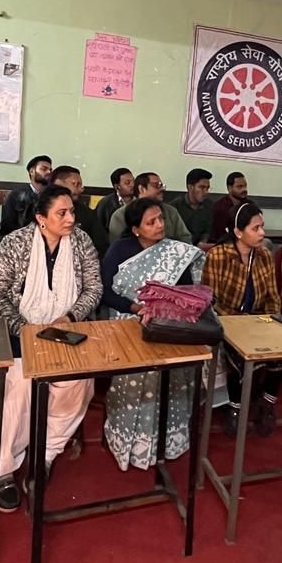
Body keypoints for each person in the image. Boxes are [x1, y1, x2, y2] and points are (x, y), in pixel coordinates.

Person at [0, 185, 103, 512]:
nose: (71, 218)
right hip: (17, 331)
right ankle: (1, 469)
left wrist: (69, 317)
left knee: (77, 382)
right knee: (13, 386)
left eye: (72, 211)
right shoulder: (14, 243)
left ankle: (44, 455)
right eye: (62, 213)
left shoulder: (82, 242)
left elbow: (93, 288)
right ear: (41, 217)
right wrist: (25, 329)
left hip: (65, 330)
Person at [99, 198, 206, 470]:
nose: (160, 225)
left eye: (161, 219)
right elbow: (106, 292)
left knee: (173, 372)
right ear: (136, 229)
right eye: (151, 222)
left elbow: (185, 293)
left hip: (164, 325)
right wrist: (136, 308)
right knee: (135, 374)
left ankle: (166, 441)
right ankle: (130, 441)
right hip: (127, 322)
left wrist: (163, 310)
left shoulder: (174, 252)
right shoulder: (120, 250)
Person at [202, 202, 282, 437]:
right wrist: (240, 321)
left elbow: (273, 296)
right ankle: (235, 408)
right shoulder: (218, 255)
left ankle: (267, 401)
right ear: (238, 232)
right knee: (241, 357)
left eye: (262, 227)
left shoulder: (265, 255)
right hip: (227, 322)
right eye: (255, 228)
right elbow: (211, 299)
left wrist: (271, 322)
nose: (262, 233)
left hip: (259, 321)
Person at [107, 172, 191, 242]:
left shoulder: (170, 211)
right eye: (156, 185)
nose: (162, 189)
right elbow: (119, 247)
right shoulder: (120, 216)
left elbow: (185, 238)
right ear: (141, 189)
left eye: (162, 185)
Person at [47, 165, 109, 257]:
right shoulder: (36, 208)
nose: (80, 189)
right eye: (75, 184)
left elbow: (101, 247)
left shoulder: (87, 214)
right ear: (58, 183)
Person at [0, 154, 52, 236]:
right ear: (32, 172)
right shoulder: (16, 196)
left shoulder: (52, 196)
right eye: (44, 169)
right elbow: (7, 225)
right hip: (20, 238)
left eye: (50, 170)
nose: (49, 172)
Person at [172, 167, 215, 246]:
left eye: (207, 188)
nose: (206, 192)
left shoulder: (209, 205)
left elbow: (207, 231)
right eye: (202, 187)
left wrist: (202, 243)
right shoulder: (174, 207)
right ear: (190, 187)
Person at [209, 171, 251, 242]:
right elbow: (220, 234)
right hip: (225, 242)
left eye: (245, 186)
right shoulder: (220, 207)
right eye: (240, 186)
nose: (244, 189)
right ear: (229, 188)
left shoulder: (250, 205)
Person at [95, 166, 135, 235]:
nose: (133, 185)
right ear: (117, 187)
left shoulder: (140, 199)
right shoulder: (105, 203)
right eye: (127, 183)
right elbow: (98, 228)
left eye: (133, 181)